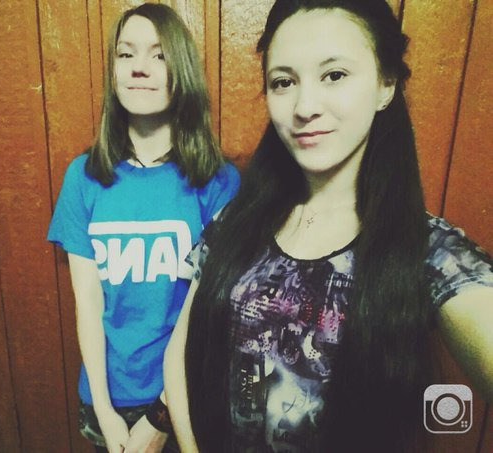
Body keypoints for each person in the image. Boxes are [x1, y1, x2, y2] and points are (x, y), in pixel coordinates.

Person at [163, 0, 493, 452]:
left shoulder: (429, 250)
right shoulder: (235, 220)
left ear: (386, 84)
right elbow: (181, 350)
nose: (305, 106)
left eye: (334, 75)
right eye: (284, 82)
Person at [47, 3, 239, 452]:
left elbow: (214, 312)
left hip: (183, 396)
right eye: (126, 53)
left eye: (158, 54)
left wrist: (162, 416)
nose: (139, 67)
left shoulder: (218, 181)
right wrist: (104, 411)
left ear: (180, 70)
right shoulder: (83, 177)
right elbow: (88, 302)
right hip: (107, 400)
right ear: (113, 71)